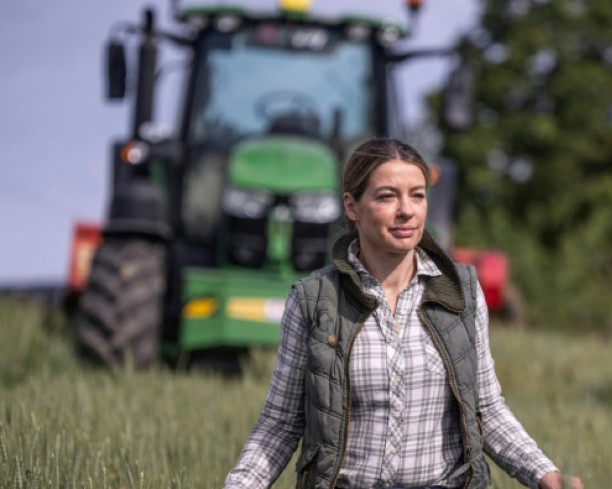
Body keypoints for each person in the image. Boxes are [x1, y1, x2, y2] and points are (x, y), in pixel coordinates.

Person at [225, 138, 582, 489]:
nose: (406, 210)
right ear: (352, 206)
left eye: (417, 195)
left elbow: (486, 410)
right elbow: (280, 424)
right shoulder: (314, 300)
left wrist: (544, 473)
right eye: (386, 196)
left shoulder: (461, 293)